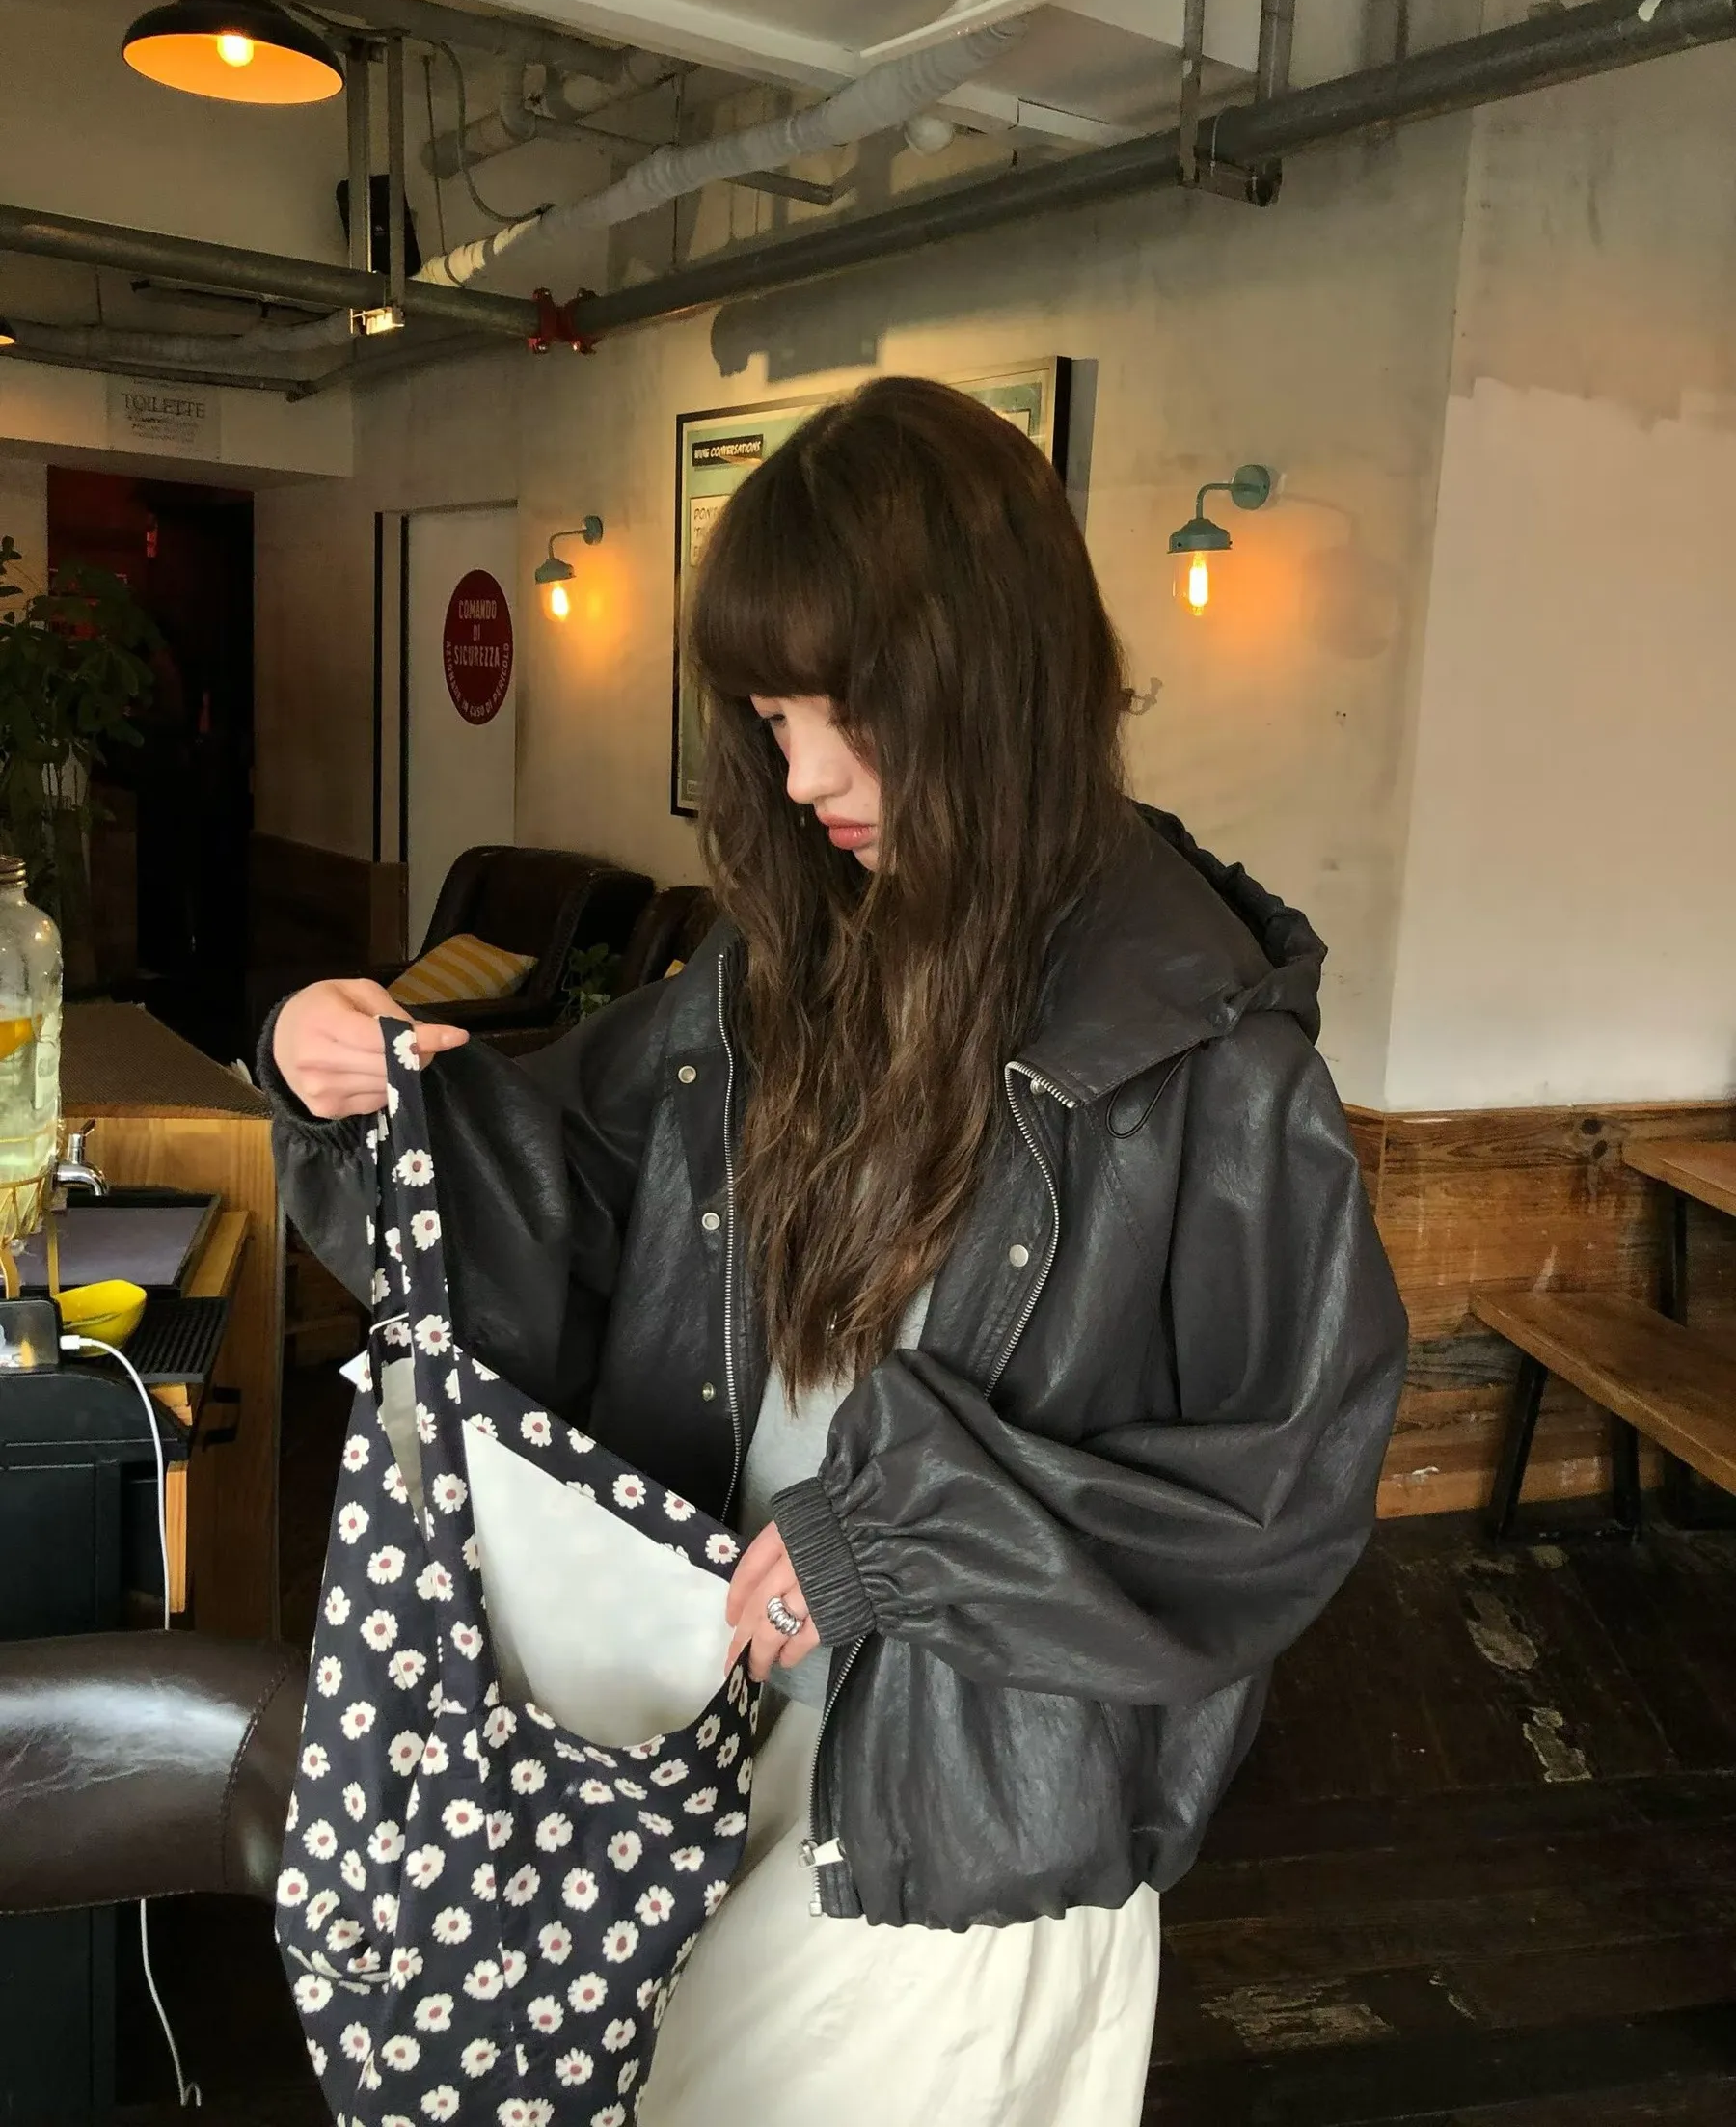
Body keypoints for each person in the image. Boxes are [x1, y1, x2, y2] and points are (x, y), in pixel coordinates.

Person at [265, 375, 1408, 2126]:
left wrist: (893, 1536)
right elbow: (570, 1190)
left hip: (961, 1834)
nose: (800, 777)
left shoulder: (1208, 1068)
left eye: (842, 713)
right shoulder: (782, 973)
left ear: (992, 684)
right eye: (772, 718)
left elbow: (1285, 1494)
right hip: (712, 1752)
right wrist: (363, 1092)